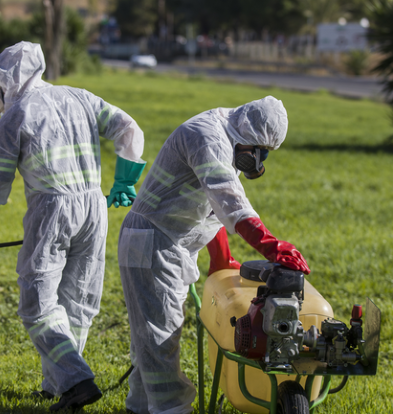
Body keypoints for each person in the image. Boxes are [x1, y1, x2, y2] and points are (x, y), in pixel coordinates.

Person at [0, 41, 145, 411]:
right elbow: (128, 129)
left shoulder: (14, 117)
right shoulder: (79, 96)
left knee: (37, 304)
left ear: (7, 79)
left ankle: (76, 381)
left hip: (51, 209)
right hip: (93, 208)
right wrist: (124, 179)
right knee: (78, 302)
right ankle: (58, 386)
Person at [117, 96, 310, 414]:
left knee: (152, 336)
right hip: (152, 243)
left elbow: (211, 203)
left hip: (169, 243)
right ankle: (171, 409)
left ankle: (140, 407)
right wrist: (274, 246)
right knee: (159, 337)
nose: (259, 163)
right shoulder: (206, 136)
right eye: (259, 152)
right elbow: (229, 201)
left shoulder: (229, 134)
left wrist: (220, 256)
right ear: (247, 133)